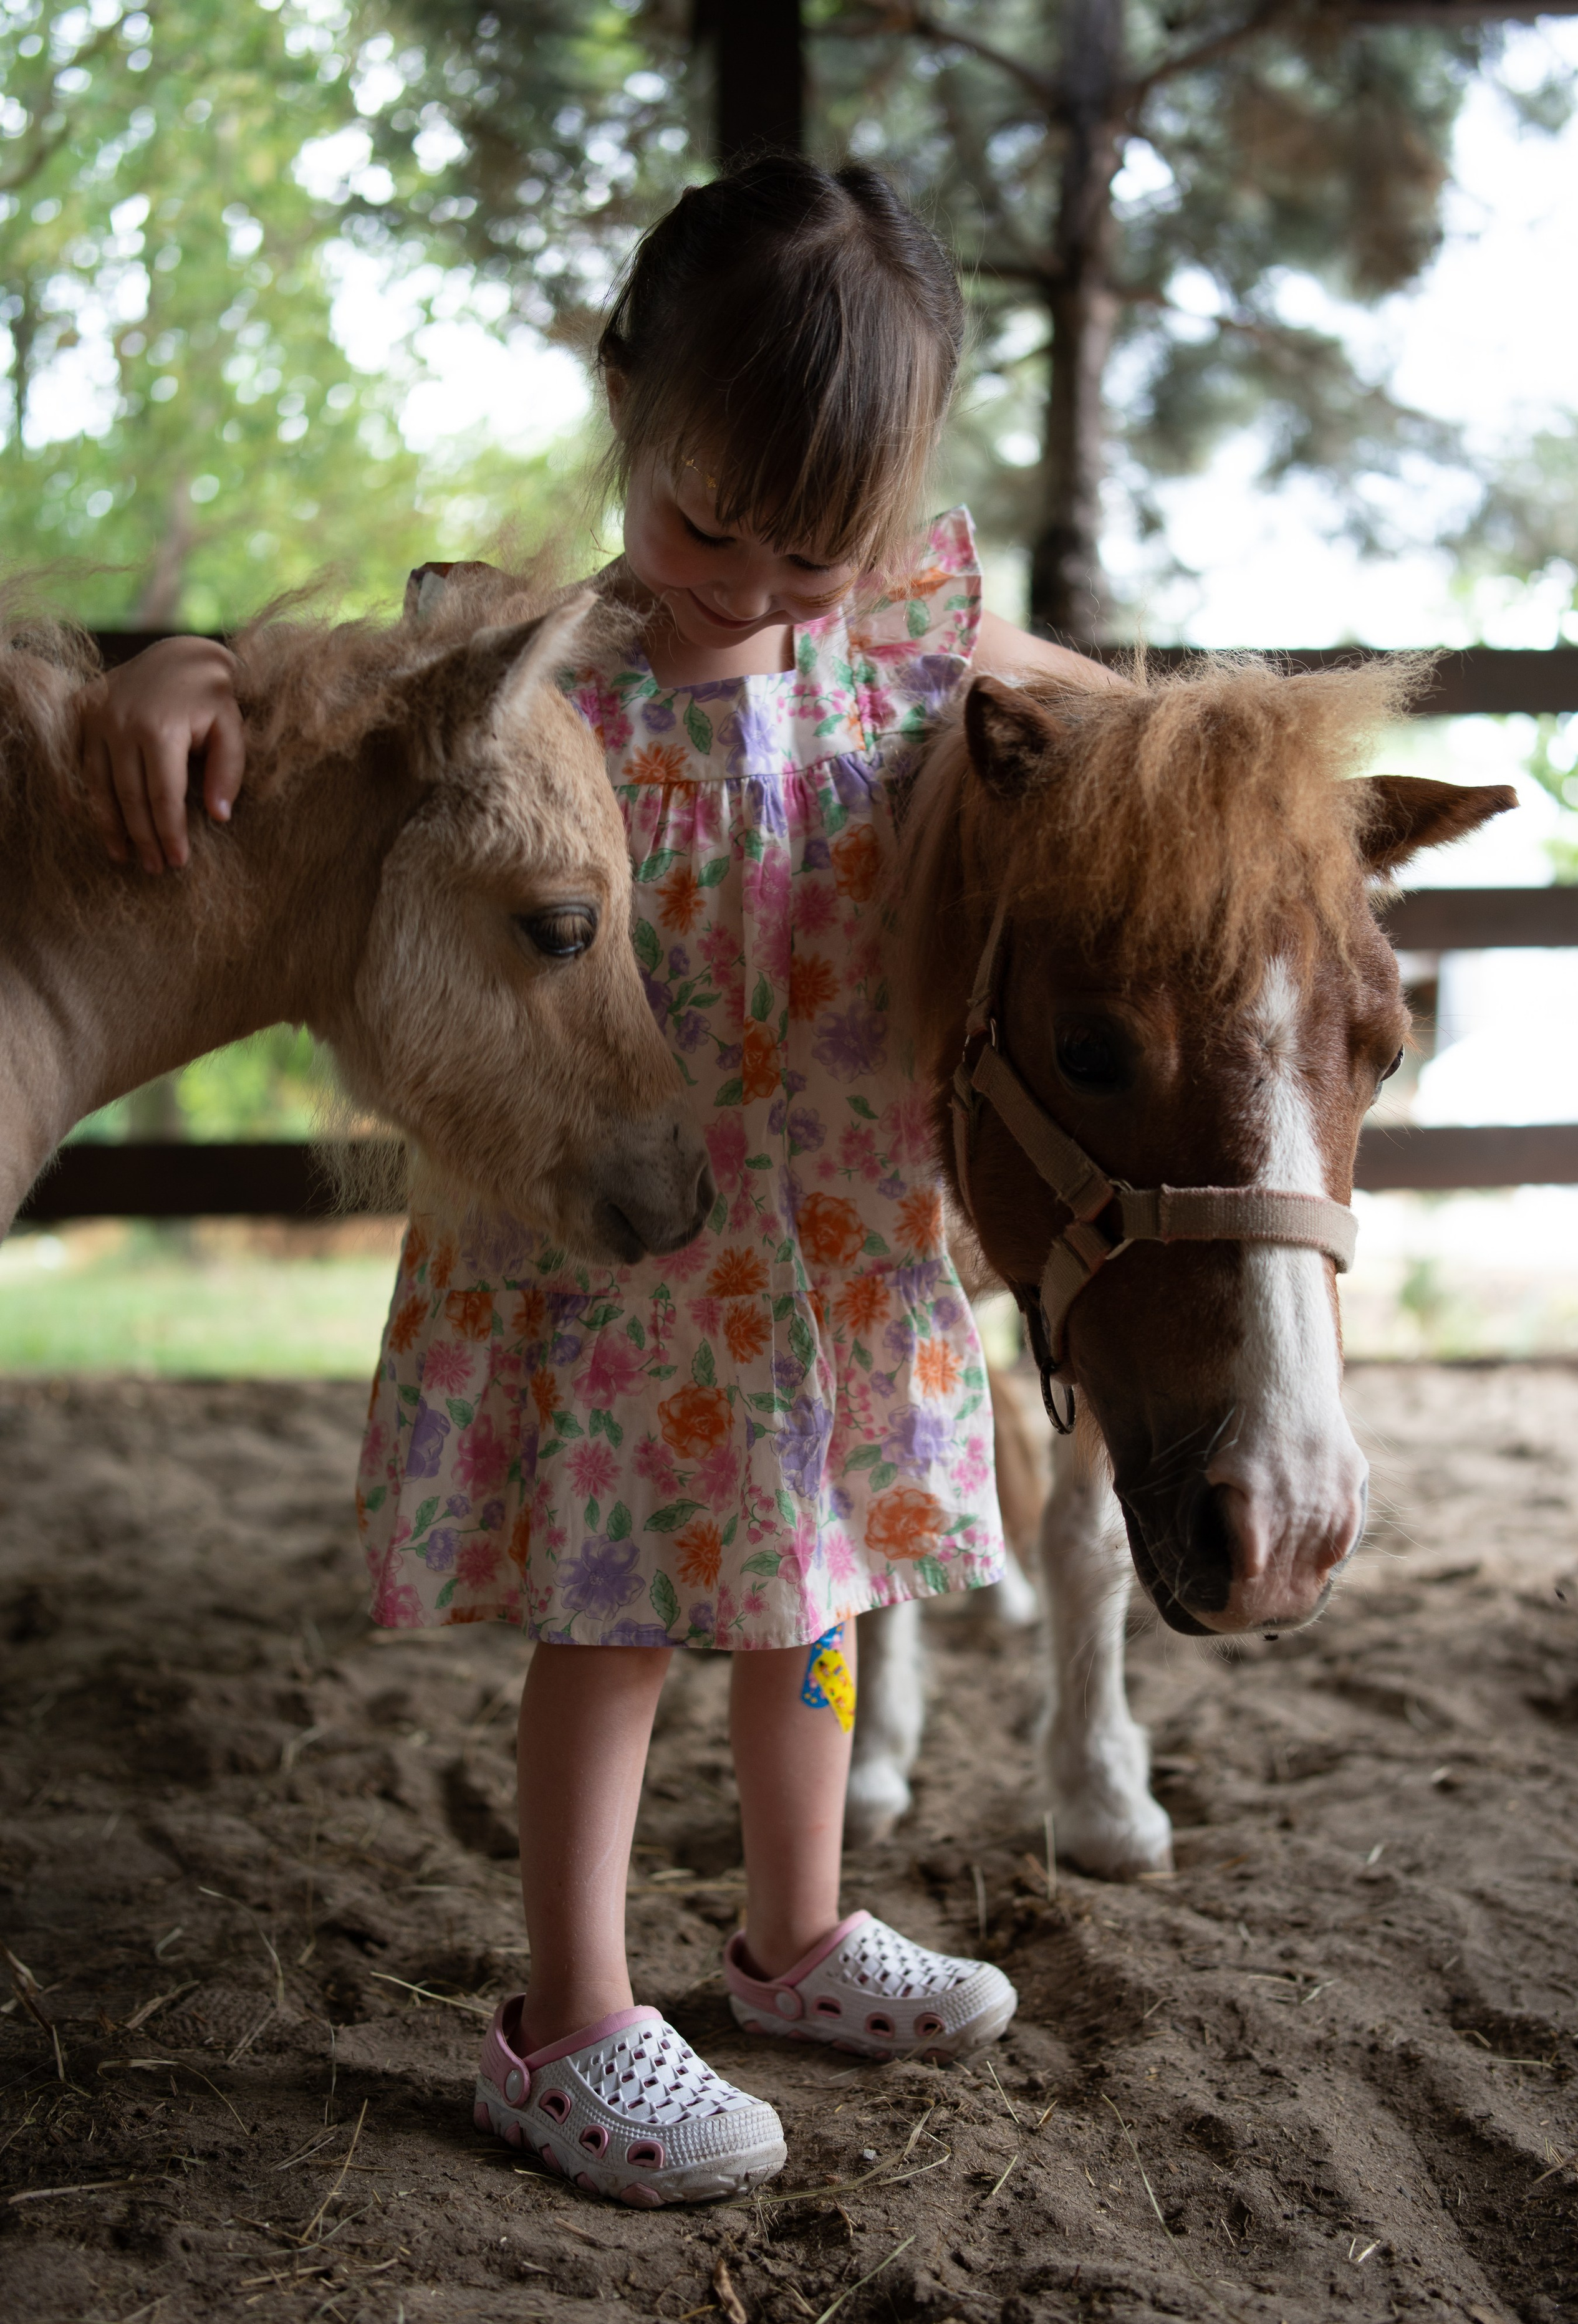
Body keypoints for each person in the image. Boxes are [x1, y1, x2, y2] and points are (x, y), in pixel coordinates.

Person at [79, 156, 1120, 2209]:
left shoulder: (911, 643)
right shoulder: (528, 655)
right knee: (620, 1622)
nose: (741, 588)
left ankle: (799, 1934)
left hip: (827, 1248)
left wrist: (1227, 762)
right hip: (615, 1259)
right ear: (626, 404)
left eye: (808, 555)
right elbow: (301, 720)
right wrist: (183, 665)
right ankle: (566, 2022)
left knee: (811, 1599)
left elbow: (1131, 732)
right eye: (702, 519)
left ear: (892, 517)